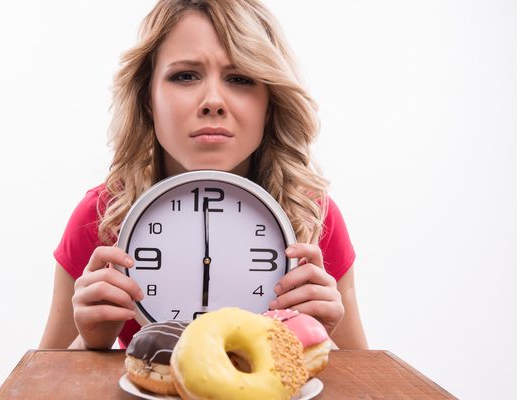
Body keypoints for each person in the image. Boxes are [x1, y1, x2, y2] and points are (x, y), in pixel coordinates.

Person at [39, 0, 368, 351]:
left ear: (269, 103)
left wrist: (324, 339)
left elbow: (366, 381)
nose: (213, 100)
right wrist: (91, 342)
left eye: (240, 78)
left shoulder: (313, 217)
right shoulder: (101, 216)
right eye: (185, 76)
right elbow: (39, 383)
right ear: (147, 98)